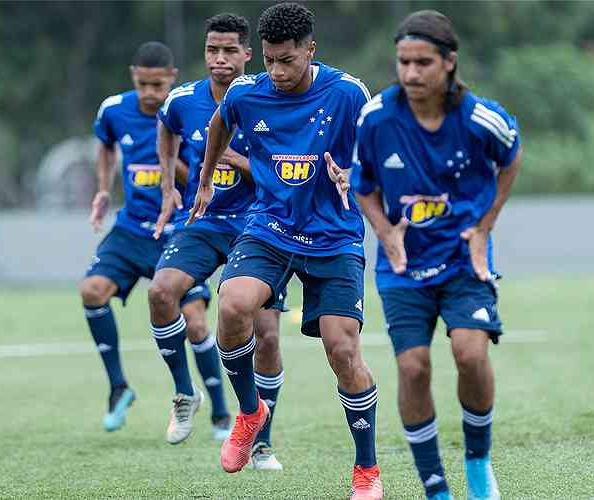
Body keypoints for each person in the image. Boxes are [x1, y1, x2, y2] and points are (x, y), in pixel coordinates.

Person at [188, 3, 382, 498]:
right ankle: (252, 411)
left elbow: (380, 142)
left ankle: (366, 470)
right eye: (270, 60)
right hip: (270, 226)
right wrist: (206, 180)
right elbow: (218, 127)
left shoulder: (346, 92)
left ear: (311, 51)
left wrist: (356, 175)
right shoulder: (246, 92)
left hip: (334, 236)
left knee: (342, 350)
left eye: (287, 60)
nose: (276, 71)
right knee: (232, 305)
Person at [352, 10, 522, 500]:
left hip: (462, 260)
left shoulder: (478, 118)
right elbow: (363, 185)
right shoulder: (377, 118)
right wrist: (384, 231)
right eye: (403, 62)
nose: (410, 73)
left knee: (470, 353)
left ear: (449, 62)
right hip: (403, 267)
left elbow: (511, 157)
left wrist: (484, 227)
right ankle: (435, 488)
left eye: (422, 62)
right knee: (413, 368)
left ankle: (477, 461)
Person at [149, 14, 287, 464]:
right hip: (204, 220)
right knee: (161, 292)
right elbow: (166, 129)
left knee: (266, 335)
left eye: (230, 51)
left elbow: (282, 171)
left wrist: (229, 155)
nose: (220, 59)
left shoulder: (270, 99)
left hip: (260, 224)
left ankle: (261, 439)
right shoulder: (183, 100)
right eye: (213, 50)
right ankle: (185, 394)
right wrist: (170, 185)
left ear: (248, 54)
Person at [81, 41, 216, 435]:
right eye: (143, 85)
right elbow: (105, 146)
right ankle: (119, 387)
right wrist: (104, 188)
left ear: (171, 79)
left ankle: (221, 412)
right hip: (130, 230)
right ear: (133, 78)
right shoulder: (113, 110)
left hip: (176, 232)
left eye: (157, 85)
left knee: (195, 322)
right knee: (92, 291)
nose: (150, 94)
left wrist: (170, 168)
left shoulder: (185, 111)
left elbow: (204, 172)